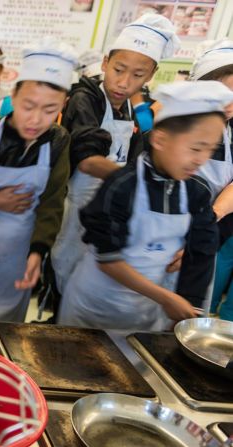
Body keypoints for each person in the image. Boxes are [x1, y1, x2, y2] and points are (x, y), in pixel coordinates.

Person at [58, 81, 232, 330]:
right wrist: (165, 297)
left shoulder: (196, 194)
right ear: (160, 139)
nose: (201, 160)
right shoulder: (122, 185)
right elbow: (107, 259)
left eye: (209, 150)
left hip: (143, 312)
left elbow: (201, 253)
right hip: (95, 306)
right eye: (195, 148)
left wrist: (189, 305)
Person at [50, 14, 179, 296]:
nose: (123, 82)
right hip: (74, 207)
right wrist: (140, 180)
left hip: (108, 207)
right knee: (67, 274)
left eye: (137, 75)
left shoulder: (130, 111)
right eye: (119, 69)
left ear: (151, 76)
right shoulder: (86, 99)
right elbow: (86, 159)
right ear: (106, 63)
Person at [0, 38, 74, 322]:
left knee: (7, 330)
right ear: (14, 95)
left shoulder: (57, 141)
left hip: (18, 258)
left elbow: (53, 201)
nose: (35, 119)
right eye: (28, 106)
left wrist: (38, 251)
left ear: (63, 105)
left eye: (49, 110)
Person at [189, 40, 233, 320]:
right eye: (224, 94)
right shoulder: (175, 128)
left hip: (208, 237)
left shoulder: (229, 132)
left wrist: (209, 220)